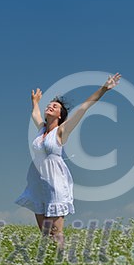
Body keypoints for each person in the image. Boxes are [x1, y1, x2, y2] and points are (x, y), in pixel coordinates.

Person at [15, 72, 122, 249]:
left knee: (56, 233)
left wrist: (103, 89)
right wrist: (35, 101)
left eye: (54, 106)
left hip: (55, 183)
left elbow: (83, 107)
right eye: (49, 105)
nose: (50, 106)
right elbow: (35, 114)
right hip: (37, 184)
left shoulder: (61, 131)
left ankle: (63, 262)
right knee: (45, 234)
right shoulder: (42, 130)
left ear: (59, 115)